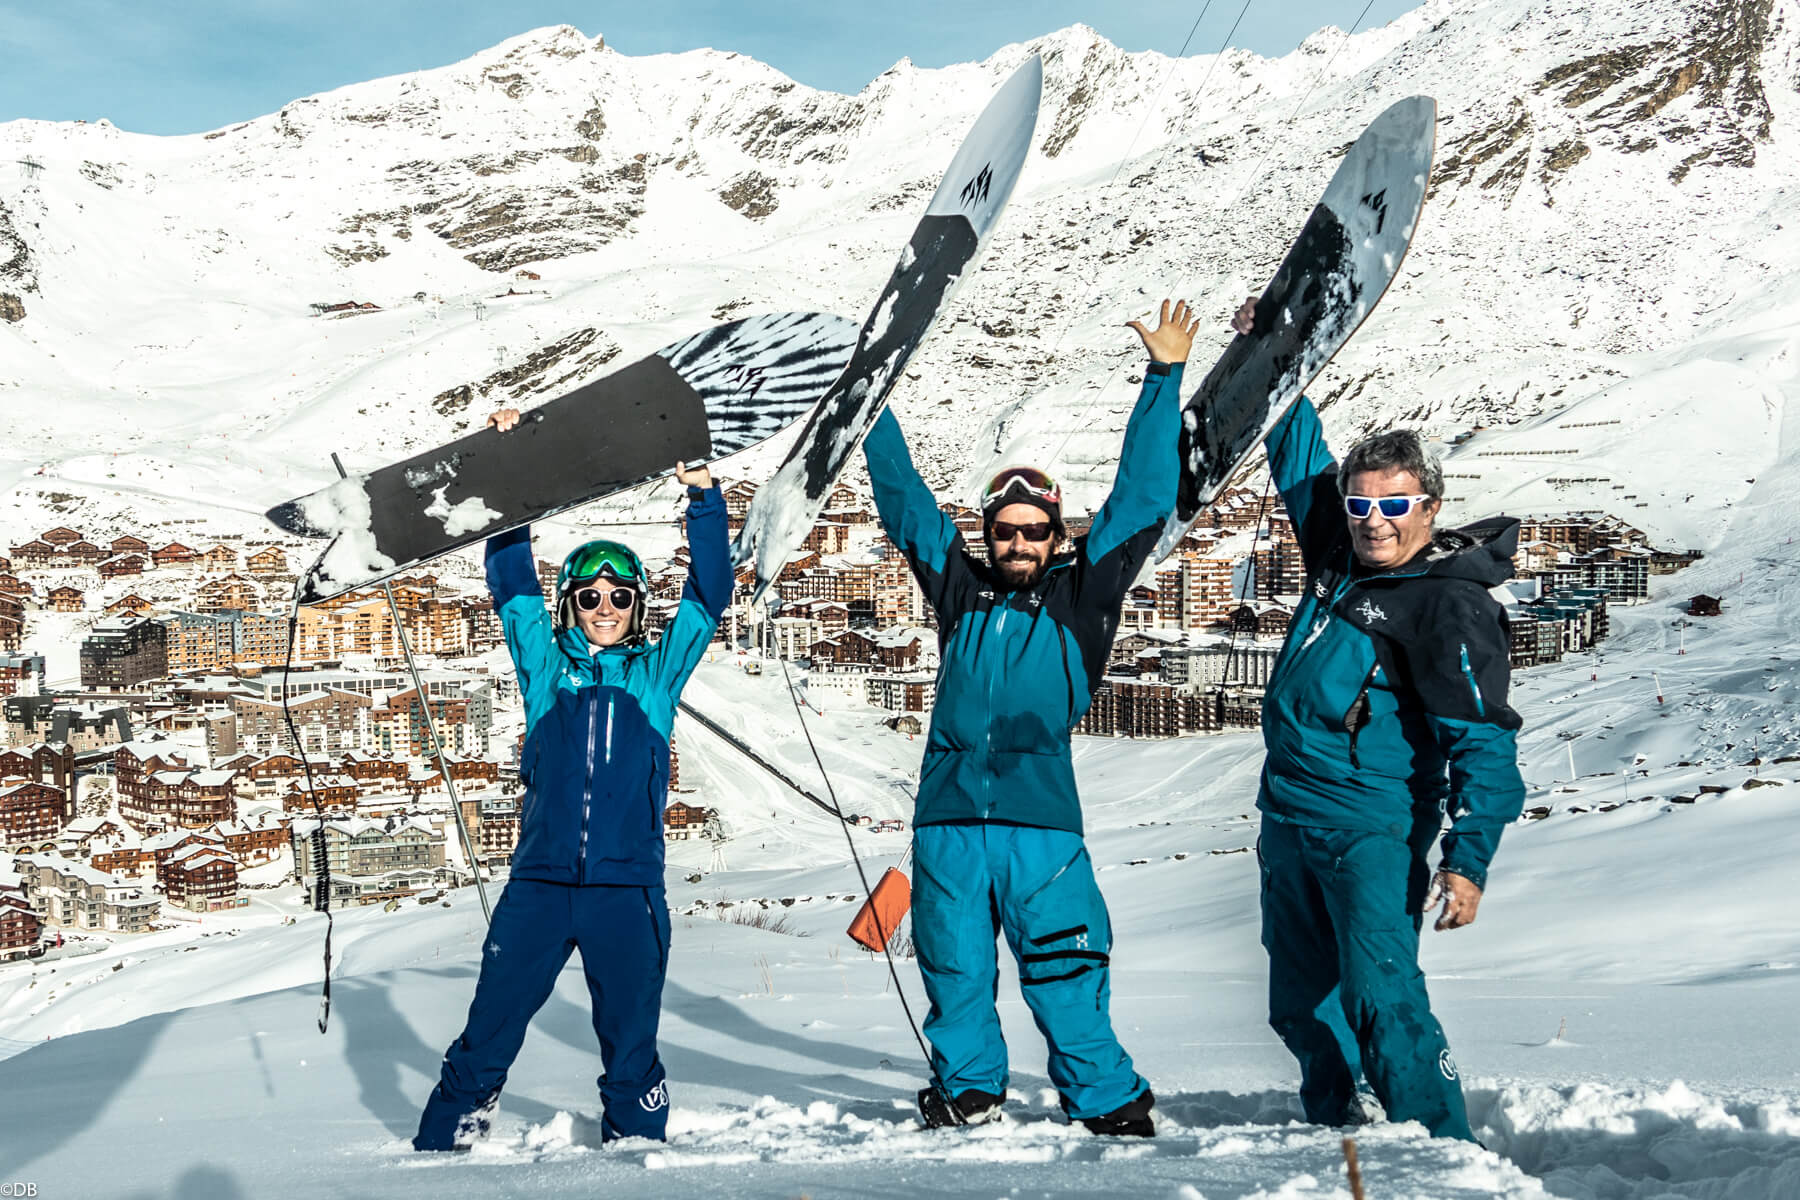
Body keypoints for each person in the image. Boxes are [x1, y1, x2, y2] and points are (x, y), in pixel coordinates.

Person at [860, 299, 1199, 1137]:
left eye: (1035, 530)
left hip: (1040, 826)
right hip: (945, 825)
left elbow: (1144, 497)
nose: (1018, 541)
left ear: (1056, 535)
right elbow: (904, 501)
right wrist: (868, 401)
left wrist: (1163, 377)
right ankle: (970, 1090)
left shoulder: (1085, 597)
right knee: (955, 970)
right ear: (988, 533)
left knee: (1064, 967)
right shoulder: (959, 590)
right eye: (1005, 530)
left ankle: (1108, 1100)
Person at [1231, 296, 1524, 1141]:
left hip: (1372, 826)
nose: (1373, 523)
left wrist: (1467, 863)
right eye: (1360, 506)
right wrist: (1274, 351)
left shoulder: (1446, 606)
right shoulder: (1339, 552)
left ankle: (1438, 1145)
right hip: (1288, 813)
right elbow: (1295, 453)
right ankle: (1336, 1127)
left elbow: (1484, 746)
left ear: (1429, 507)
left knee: (1380, 994)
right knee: (1299, 1000)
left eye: (1394, 507)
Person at [413, 407, 730, 1151]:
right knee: (487, 1032)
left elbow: (709, 595)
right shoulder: (544, 672)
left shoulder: (655, 678)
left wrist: (703, 497)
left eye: (621, 596)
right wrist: (510, 473)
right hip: (540, 886)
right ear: (571, 605)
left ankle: (636, 1154)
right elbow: (511, 581)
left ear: (637, 605)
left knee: (630, 1047)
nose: (606, 608)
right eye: (590, 595)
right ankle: (438, 1154)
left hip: (627, 891)